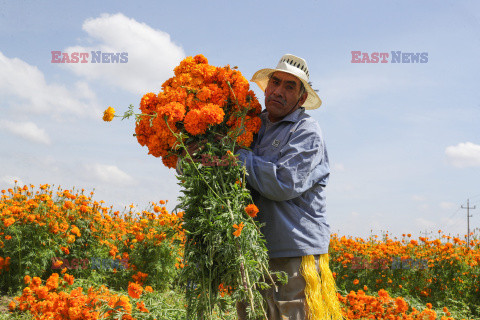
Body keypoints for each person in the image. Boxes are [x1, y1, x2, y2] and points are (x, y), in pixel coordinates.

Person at [236, 54, 342, 320]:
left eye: (290, 86)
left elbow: (283, 183)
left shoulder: (306, 131)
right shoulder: (251, 125)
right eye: (276, 82)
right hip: (252, 249)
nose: (279, 91)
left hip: (293, 252)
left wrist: (234, 156)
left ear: (301, 99)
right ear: (267, 86)